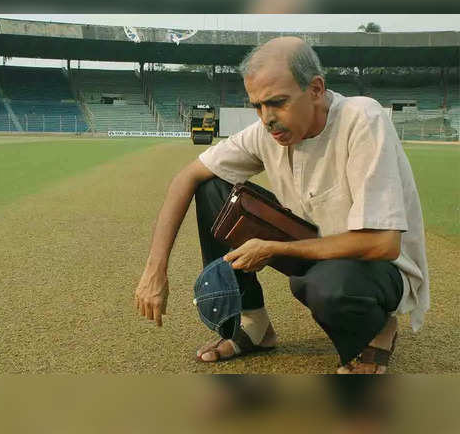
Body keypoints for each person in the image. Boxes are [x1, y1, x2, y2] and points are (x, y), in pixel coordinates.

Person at [134, 36, 428, 374]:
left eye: (277, 102)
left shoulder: (361, 119)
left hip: (375, 267)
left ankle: (376, 332)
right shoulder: (266, 132)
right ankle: (252, 324)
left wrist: (273, 247)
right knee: (213, 187)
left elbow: (383, 243)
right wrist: (155, 271)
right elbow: (187, 176)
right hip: (313, 246)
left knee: (321, 285)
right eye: (258, 105)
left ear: (316, 89)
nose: (266, 118)